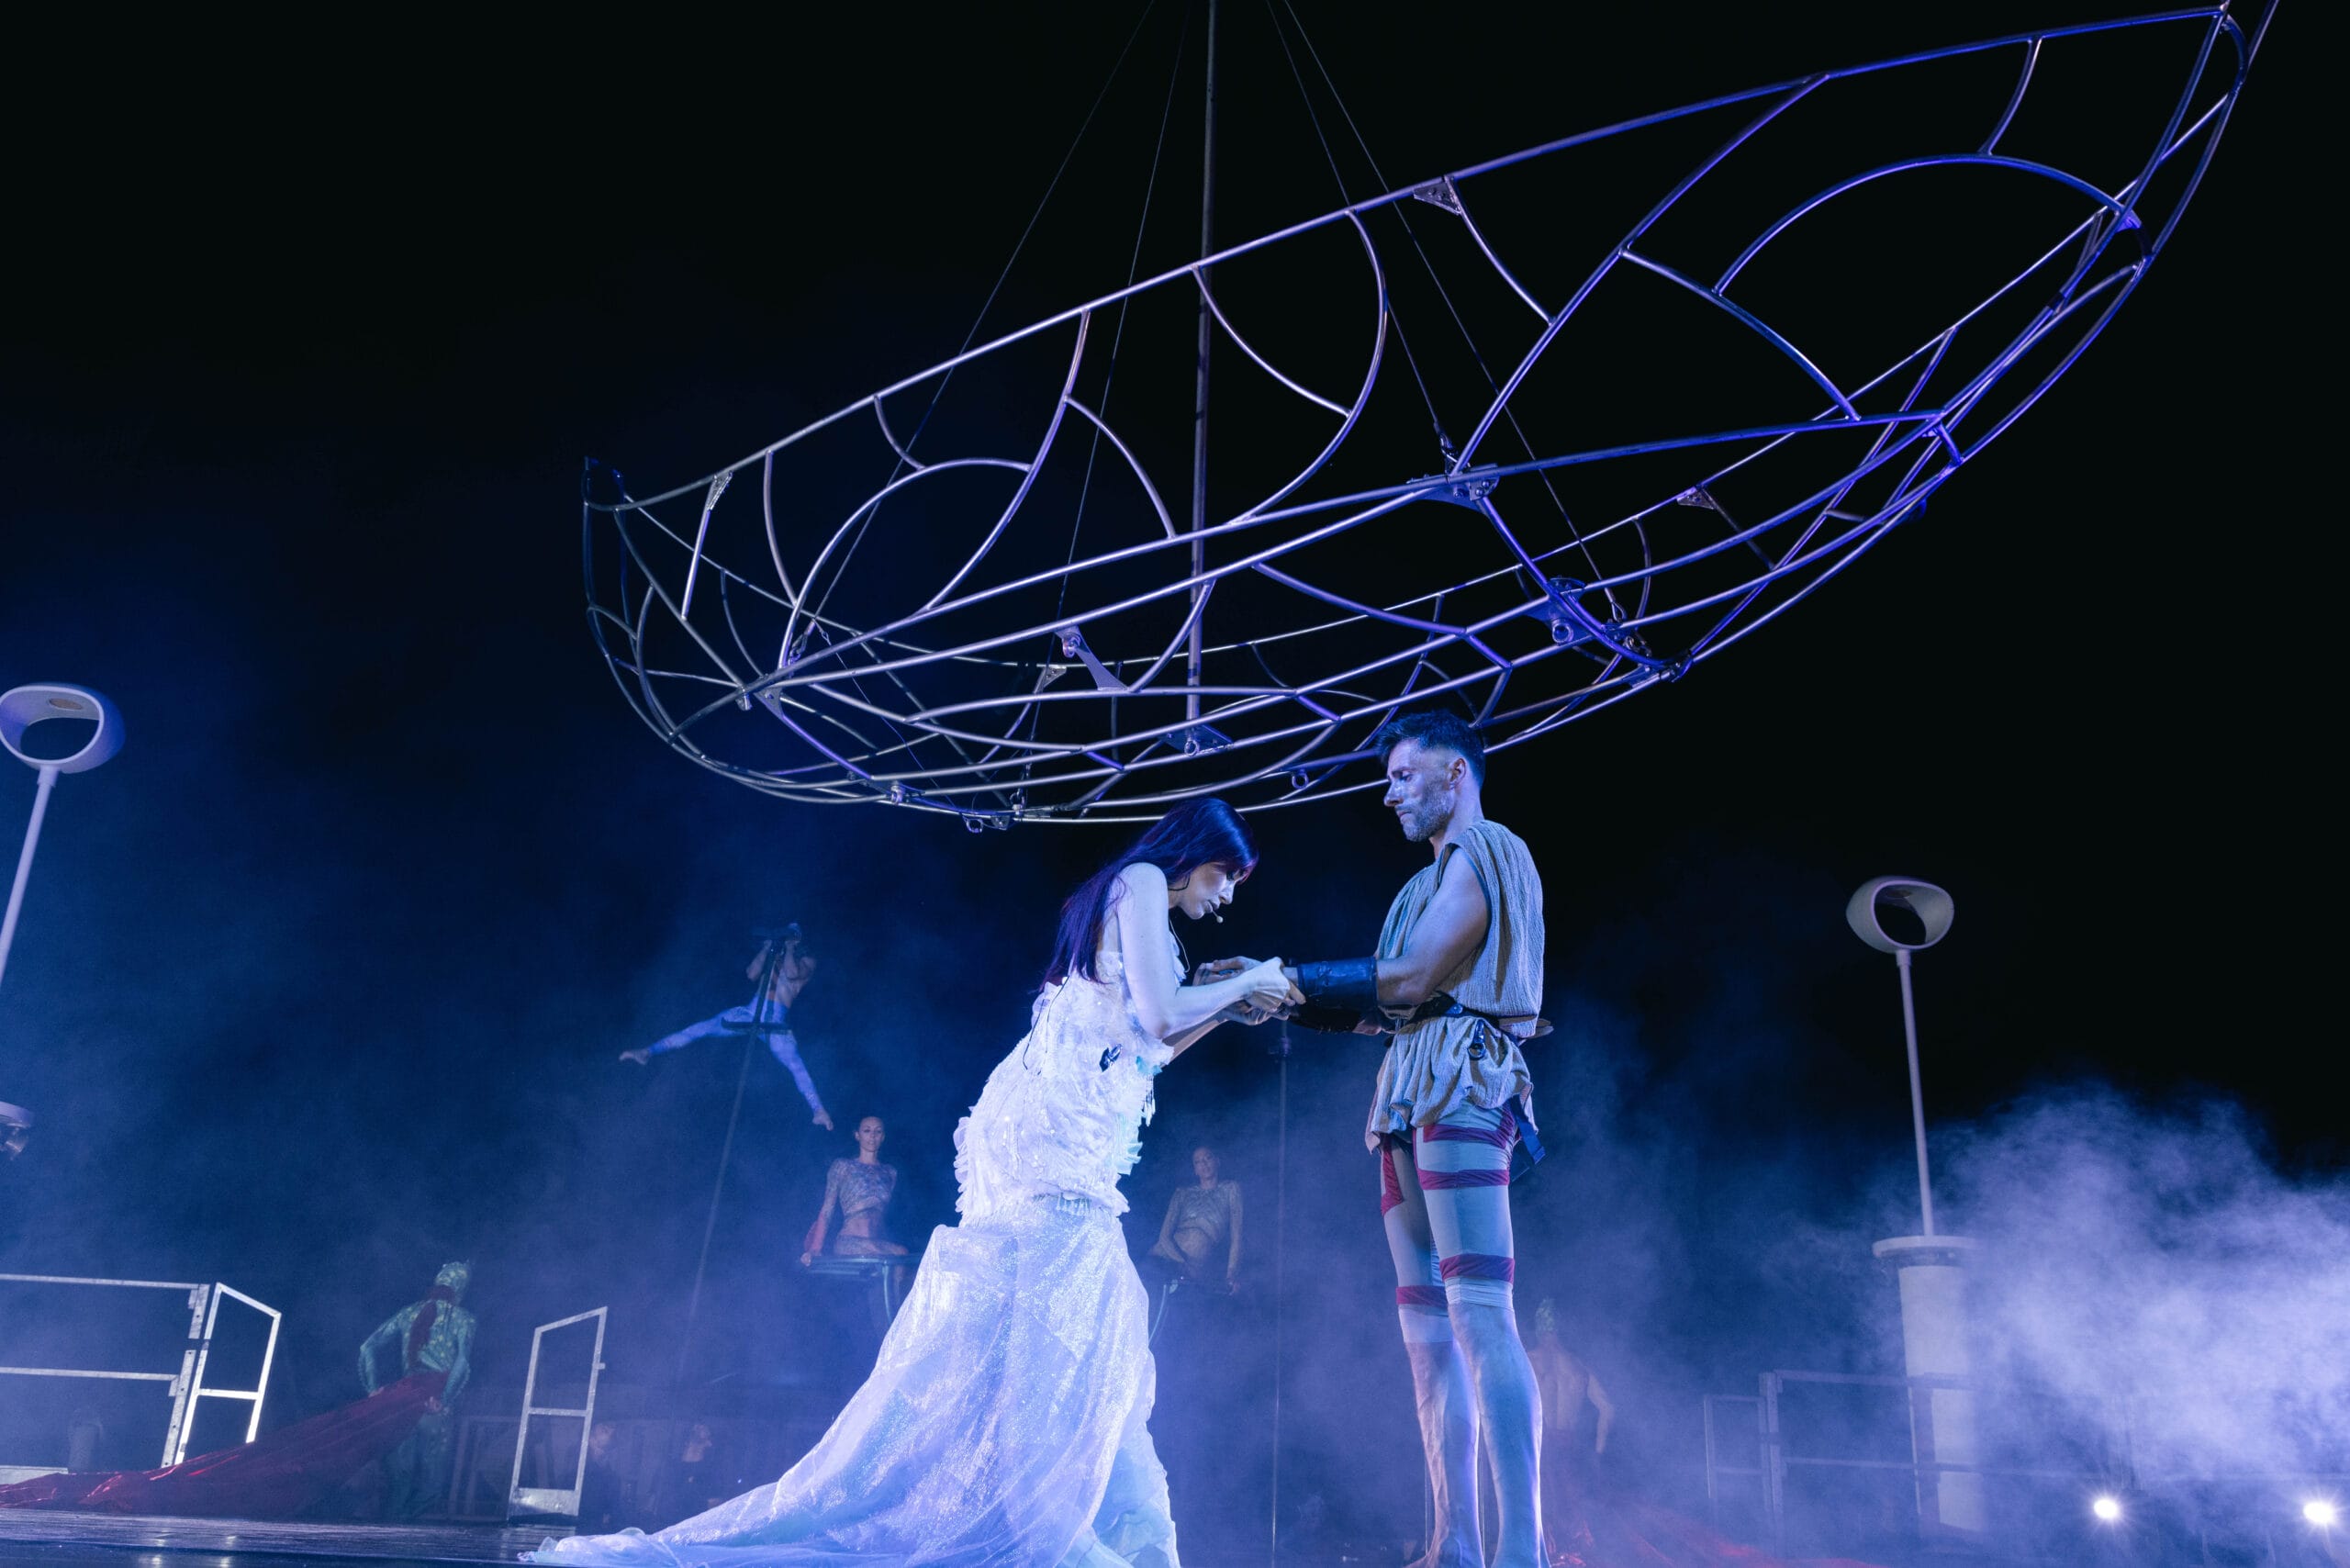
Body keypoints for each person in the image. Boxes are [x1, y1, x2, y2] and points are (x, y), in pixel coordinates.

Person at [531, 799, 1295, 1568]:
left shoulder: (1139, 901)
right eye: (1225, 876)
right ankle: (1046, 1524)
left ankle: (1057, 1516)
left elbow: (1150, 1044)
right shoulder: (1142, 879)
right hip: (1051, 1133)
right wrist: (1253, 979)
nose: (1227, 896)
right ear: (1194, 853)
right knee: (1076, 1294)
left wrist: (1227, 1010)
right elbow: (1159, 1016)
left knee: (1080, 1306)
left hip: (1056, 1124)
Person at [1280, 710, 1548, 1568]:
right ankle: (1454, 1541)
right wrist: (1276, 1001)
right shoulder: (1412, 892)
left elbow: (1415, 978)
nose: (1389, 793)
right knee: (1427, 1339)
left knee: (1481, 1314)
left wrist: (1286, 981)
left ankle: (1522, 1549)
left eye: (1403, 775)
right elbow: (1387, 1010)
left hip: (1462, 1079)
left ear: (1455, 773)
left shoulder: (1490, 848)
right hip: (1405, 1090)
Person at [622, 927, 834, 1131]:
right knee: (702, 1027)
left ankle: (819, 1110)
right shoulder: (774, 955)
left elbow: (792, 973)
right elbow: (751, 973)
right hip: (750, 1012)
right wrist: (766, 948)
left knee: (795, 1064)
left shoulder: (808, 961)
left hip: (775, 1020)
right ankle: (648, 1051)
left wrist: (788, 947)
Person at [358, 1260, 476, 1518]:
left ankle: (387, 1534)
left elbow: (367, 1347)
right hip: (434, 1404)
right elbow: (462, 1363)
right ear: (460, 1289)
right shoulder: (463, 1318)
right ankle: (402, 1533)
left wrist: (372, 1388)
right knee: (431, 1486)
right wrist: (444, 1400)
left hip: (402, 1401)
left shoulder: (408, 1313)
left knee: (399, 1482)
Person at [799, 1116, 907, 1265]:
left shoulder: (890, 1172)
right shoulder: (843, 1167)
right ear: (857, 1135)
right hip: (849, 1242)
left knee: (901, 1255)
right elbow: (827, 1209)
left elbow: (880, 1214)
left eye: (878, 1131)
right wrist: (815, 1249)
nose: (872, 1136)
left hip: (877, 1242)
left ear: (883, 1137)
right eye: (867, 1131)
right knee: (900, 1253)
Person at [1148, 1145, 1242, 1293]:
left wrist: (1231, 1274)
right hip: (1163, 1256)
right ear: (1195, 1170)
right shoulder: (1182, 1193)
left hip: (1193, 1267)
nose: (1204, 1163)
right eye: (1198, 1162)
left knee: (1177, 1303)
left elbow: (1236, 1237)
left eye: (1208, 1158)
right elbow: (1164, 1236)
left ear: (1217, 1161)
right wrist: (1182, 1263)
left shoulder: (1230, 1189)